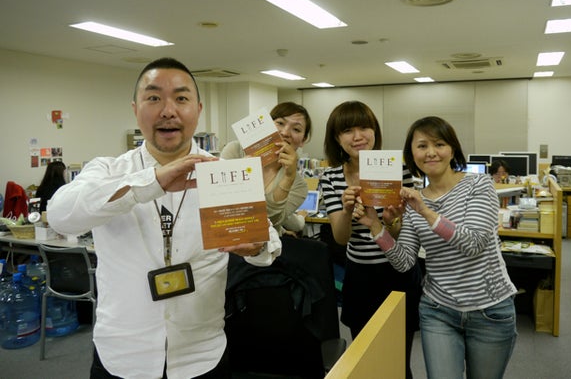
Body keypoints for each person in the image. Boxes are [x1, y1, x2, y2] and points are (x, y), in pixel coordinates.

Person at [47, 57, 282, 379]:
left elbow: (269, 245)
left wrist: (256, 247)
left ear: (198, 110)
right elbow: (60, 216)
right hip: (122, 355)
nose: (168, 110)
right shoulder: (108, 171)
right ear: (135, 109)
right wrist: (151, 182)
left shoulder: (223, 174)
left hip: (202, 355)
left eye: (181, 98)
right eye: (154, 97)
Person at [361, 116, 517, 379]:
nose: (431, 152)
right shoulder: (412, 200)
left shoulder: (479, 185)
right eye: (422, 146)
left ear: (452, 150)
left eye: (439, 144)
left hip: (490, 310)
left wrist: (425, 212)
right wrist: (377, 227)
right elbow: (404, 262)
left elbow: (474, 244)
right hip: (438, 310)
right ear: (412, 155)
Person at [319, 101, 422, 379]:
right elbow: (341, 238)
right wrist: (345, 209)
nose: (358, 136)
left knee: (398, 363)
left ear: (375, 130)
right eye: (347, 130)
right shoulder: (331, 177)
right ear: (337, 138)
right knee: (365, 360)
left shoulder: (398, 172)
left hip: (397, 273)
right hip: (359, 276)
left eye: (364, 127)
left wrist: (389, 221)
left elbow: (403, 236)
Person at [220, 102, 312, 237]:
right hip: (225, 236)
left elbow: (272, 221)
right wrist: (242, 172)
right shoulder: (235, 151)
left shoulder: (298, 185)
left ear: (303, 140)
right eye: (280, 123)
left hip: (263, 245)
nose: (285, 132)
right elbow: (219, 201)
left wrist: (288, 178)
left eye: (296, 129)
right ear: (267, 125)